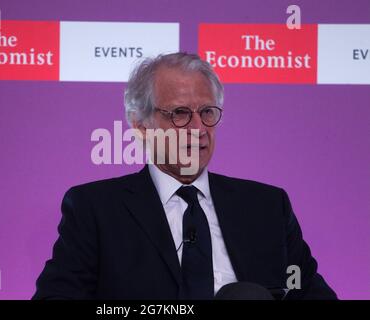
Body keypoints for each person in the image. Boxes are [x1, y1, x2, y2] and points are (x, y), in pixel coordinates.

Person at [33, 52, 337, 300]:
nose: (199, 129)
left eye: (207, 112)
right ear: (141, 125)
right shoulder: (96, 208)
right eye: (180, 113)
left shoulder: (267, 206)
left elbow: (309, 293)